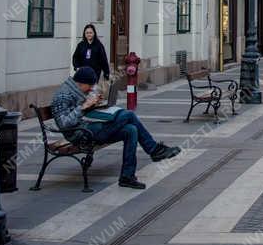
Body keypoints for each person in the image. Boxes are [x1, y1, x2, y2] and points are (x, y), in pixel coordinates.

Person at [51, 67, 181, 189]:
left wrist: (93, 104)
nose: (91, 89)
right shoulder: (63, 95)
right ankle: (153, 150)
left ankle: (127, 176)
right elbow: (64, 123)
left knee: (131, 130)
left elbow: (81, 112)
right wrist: (84, 107)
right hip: (82, 134)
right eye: (90, 86)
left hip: (91, 127)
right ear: (81, 83)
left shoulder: (75, 91)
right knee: (129, 115)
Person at [72, 24, 111, 93]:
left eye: (90, 32)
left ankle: (91, 103)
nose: (89, 34)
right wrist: (76, 67)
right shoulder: (81, 45)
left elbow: (103, 59)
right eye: (87, 33)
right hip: (83, 73)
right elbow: (75, 57)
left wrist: (106, 73)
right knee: (82, 92)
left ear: (94, 33)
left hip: (94, 73)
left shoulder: (99, 45)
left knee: (92, 92)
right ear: (84, 34)